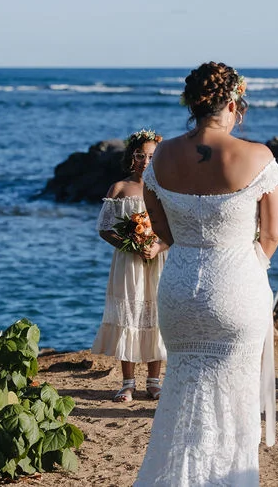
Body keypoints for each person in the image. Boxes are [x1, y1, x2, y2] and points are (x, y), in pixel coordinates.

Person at [135, 62, 278, 485]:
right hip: (236, 284)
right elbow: (272, 234)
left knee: (182, 398)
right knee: (234, 403)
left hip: (180, 287)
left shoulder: (162, 155)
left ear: (193, 103)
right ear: (234, 103)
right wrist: (246, 264)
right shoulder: (258, 156)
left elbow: (160, 228)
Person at [92, 129, 169, 402]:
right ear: (131, 157)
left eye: (151, 156)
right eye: (140, 155)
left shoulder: (165, 187)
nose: (145, 161)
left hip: (158, 258)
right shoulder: (120, 188)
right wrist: (131, 246)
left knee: (156, 314)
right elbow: (104, 229)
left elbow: (177, 228)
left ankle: (154, 381)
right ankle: (127, 383)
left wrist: (158, 246)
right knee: (129, 314)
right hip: (129, 262)